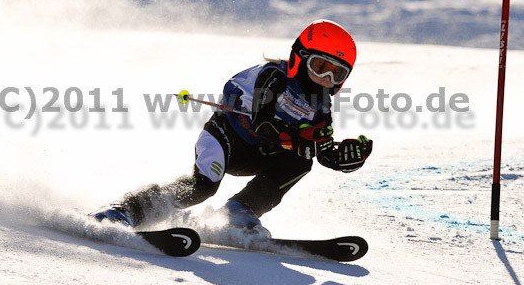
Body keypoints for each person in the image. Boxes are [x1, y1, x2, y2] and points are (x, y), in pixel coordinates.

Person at [94, 19, 373, 235]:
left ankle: (240, 212)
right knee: (201, 188)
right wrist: (297, 140)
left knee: (302, 162)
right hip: (225, 140)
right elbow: (263, 124)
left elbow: (322, 152)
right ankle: (125, 210)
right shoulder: (274, 77)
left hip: (259, 156)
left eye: (336, 72)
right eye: (320, 66)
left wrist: (346, 158)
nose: (325, 77)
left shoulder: (321, 107)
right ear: (300, 56)